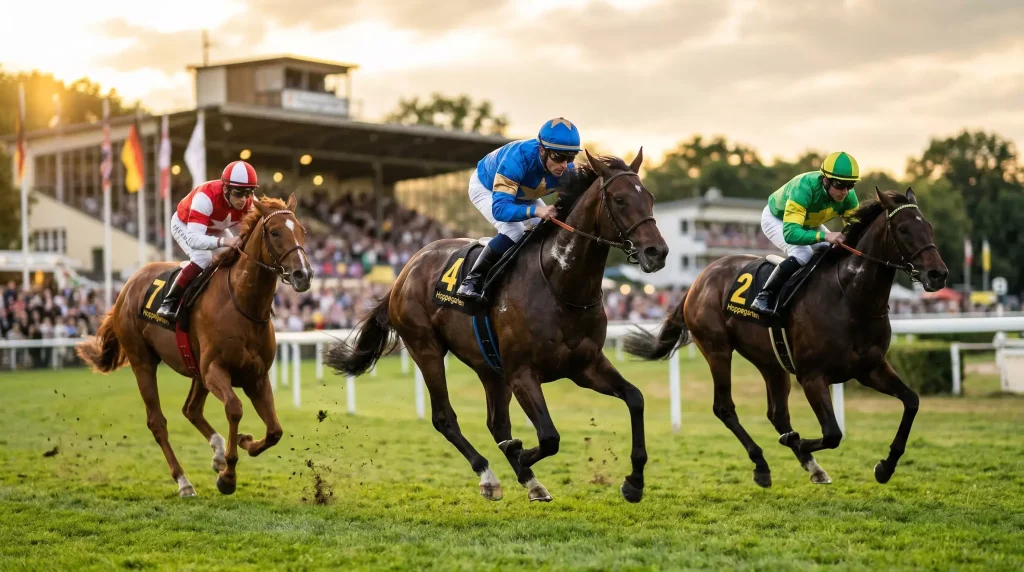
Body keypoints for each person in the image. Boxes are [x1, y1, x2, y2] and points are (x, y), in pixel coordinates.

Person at [456, 118, 582, 301]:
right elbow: (500, 209)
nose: (564, 164)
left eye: (570, 157)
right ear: (542, 150)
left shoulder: (567, 170)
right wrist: (536, 211)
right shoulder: (517, 160)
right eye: (559, 157)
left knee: (548, 228)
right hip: (487, 188)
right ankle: (471, 282)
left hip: (521, 195)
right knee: (514, 230)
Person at [751, 151, 862, 317]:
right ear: (825, 180)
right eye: (840, 184)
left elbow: (856, 230)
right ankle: (764, 296)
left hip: (809, 222)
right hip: (778, 219)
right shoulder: (803, 188)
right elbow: (791, 234)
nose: (845, 191)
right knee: (802, 253)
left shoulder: (848, 197)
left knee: (832, 250)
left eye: (850, 185)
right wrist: (825, 236)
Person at [155, 161, 258, 321]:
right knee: (203, 259)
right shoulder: (206, 197)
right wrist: (224, 241)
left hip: (214, 227)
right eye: (238, 193)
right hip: (185, 224)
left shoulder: (250, 202)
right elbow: (194, 239)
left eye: (248, 192)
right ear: (226, 188)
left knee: (235, 256)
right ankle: (169, 302)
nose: (243, 199)